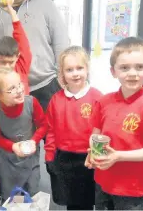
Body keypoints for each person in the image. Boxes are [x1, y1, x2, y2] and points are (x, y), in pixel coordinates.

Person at [85, 37, 143, 210]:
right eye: (124, 67)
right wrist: (92, 152)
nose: (132, 73)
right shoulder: (103, 101)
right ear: (113, 71)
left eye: (140, 67)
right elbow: (96, 133)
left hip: (130, 186)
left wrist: (118, 156)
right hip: (102, 178)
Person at [44, 46, 103, 210]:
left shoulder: (98, 97)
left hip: (88, 158)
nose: (75, 73)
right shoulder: (55, 100)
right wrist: (49, 156)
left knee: (87, 201)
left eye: (79, 68)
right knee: (71, 201)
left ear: (87, 69)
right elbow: (51, 131)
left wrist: (97, 156)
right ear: (62, 74)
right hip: (64, 158)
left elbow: (102, 131)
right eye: (69, 70)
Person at [0, 67, 47, 201]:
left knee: (32, 192)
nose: (19, 90)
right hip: (6, 160)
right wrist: (12, 147)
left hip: (30, 158)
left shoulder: (31, 102)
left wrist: (34, 140)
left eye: (19, 84)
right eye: (11, 88)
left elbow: (43, 125)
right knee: (10, 196)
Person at [0, 0, 32, 95]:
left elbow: (22, 39)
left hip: (22, 109)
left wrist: (12, 13)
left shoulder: (21, 67)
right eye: (3, 62)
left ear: (18, 57)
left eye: (10, 62)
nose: (7, 66)